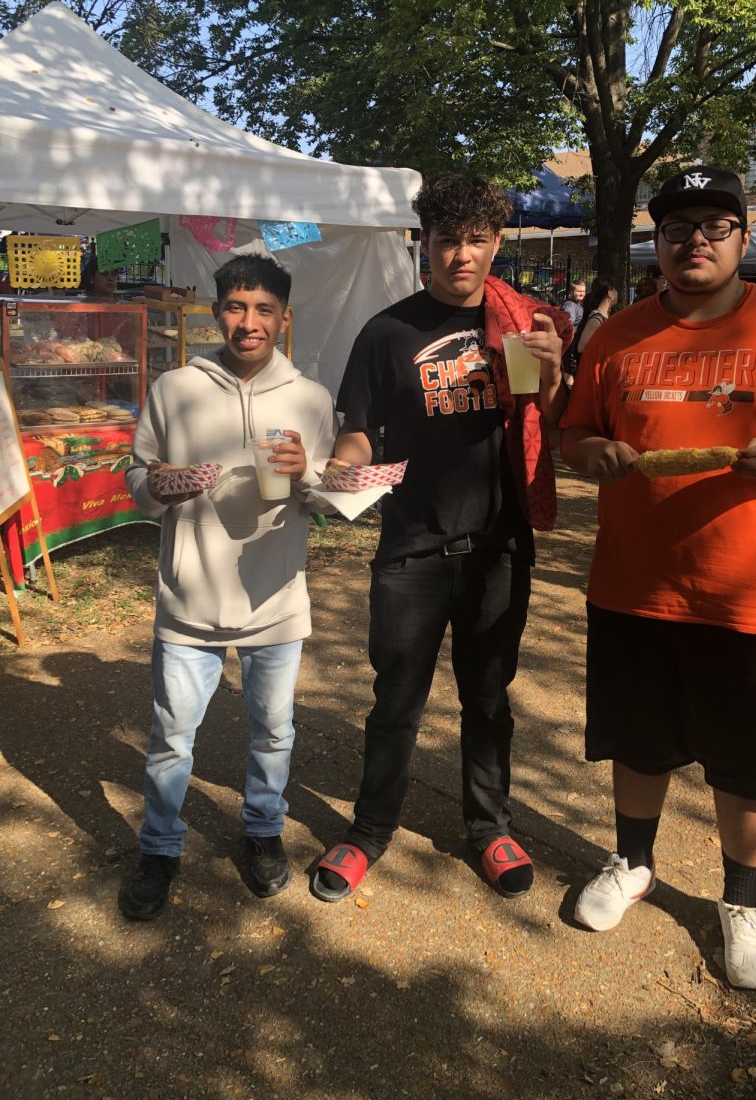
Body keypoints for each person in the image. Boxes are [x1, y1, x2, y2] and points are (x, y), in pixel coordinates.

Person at [560, 166, 756, 990]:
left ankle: (743, 899)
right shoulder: (618, 336)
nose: (696, 238)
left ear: (739, 237)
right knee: (638, 739)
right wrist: (596, 457)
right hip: (632, 582)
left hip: (749, 591)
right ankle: (633, 861)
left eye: (714, 225)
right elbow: (574, 434)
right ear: (657, 241)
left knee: (748, 758)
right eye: (678, 225)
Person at [312, 174, 570, 904]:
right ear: (424, 242)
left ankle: (488, 826)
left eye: (477, 240)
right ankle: (368, 832)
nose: (462, 255)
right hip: (411, 550)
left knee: (488, 698)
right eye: (448, 239)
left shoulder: (516, 327)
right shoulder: (387, 332)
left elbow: (540, 421)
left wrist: (552, 375)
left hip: (498, 548)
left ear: (495, 244)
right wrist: (340, 473)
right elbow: (360, 431)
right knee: (396, 700)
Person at [119, 253, 338, 921]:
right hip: (189, 597)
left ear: (284, 318)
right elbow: (138, 475)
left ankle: (263, 833)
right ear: (217, 313)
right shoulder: (175, 388)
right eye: (237, 307)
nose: (250, 322)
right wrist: (153, 485)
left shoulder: (311, 396)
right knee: (171, 736)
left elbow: (328, 498)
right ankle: (159, 846)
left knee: (274, 731)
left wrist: (310, 475)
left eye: (264, 310)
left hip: (274, 599)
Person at [576, 279, 617, 357]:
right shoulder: (596, 320)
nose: (617, 293)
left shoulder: (605, 316)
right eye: (615, 290)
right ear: (610, 293)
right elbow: (581, 348)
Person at [561, 280, 587, 387]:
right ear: (571, 292)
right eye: (578, 291)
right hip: (571, 341)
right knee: (570, 367)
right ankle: (569, 388)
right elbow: (568, 323)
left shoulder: (578, 304)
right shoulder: (570, 305)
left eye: (583, 291)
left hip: (574, 340)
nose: (581, 293)